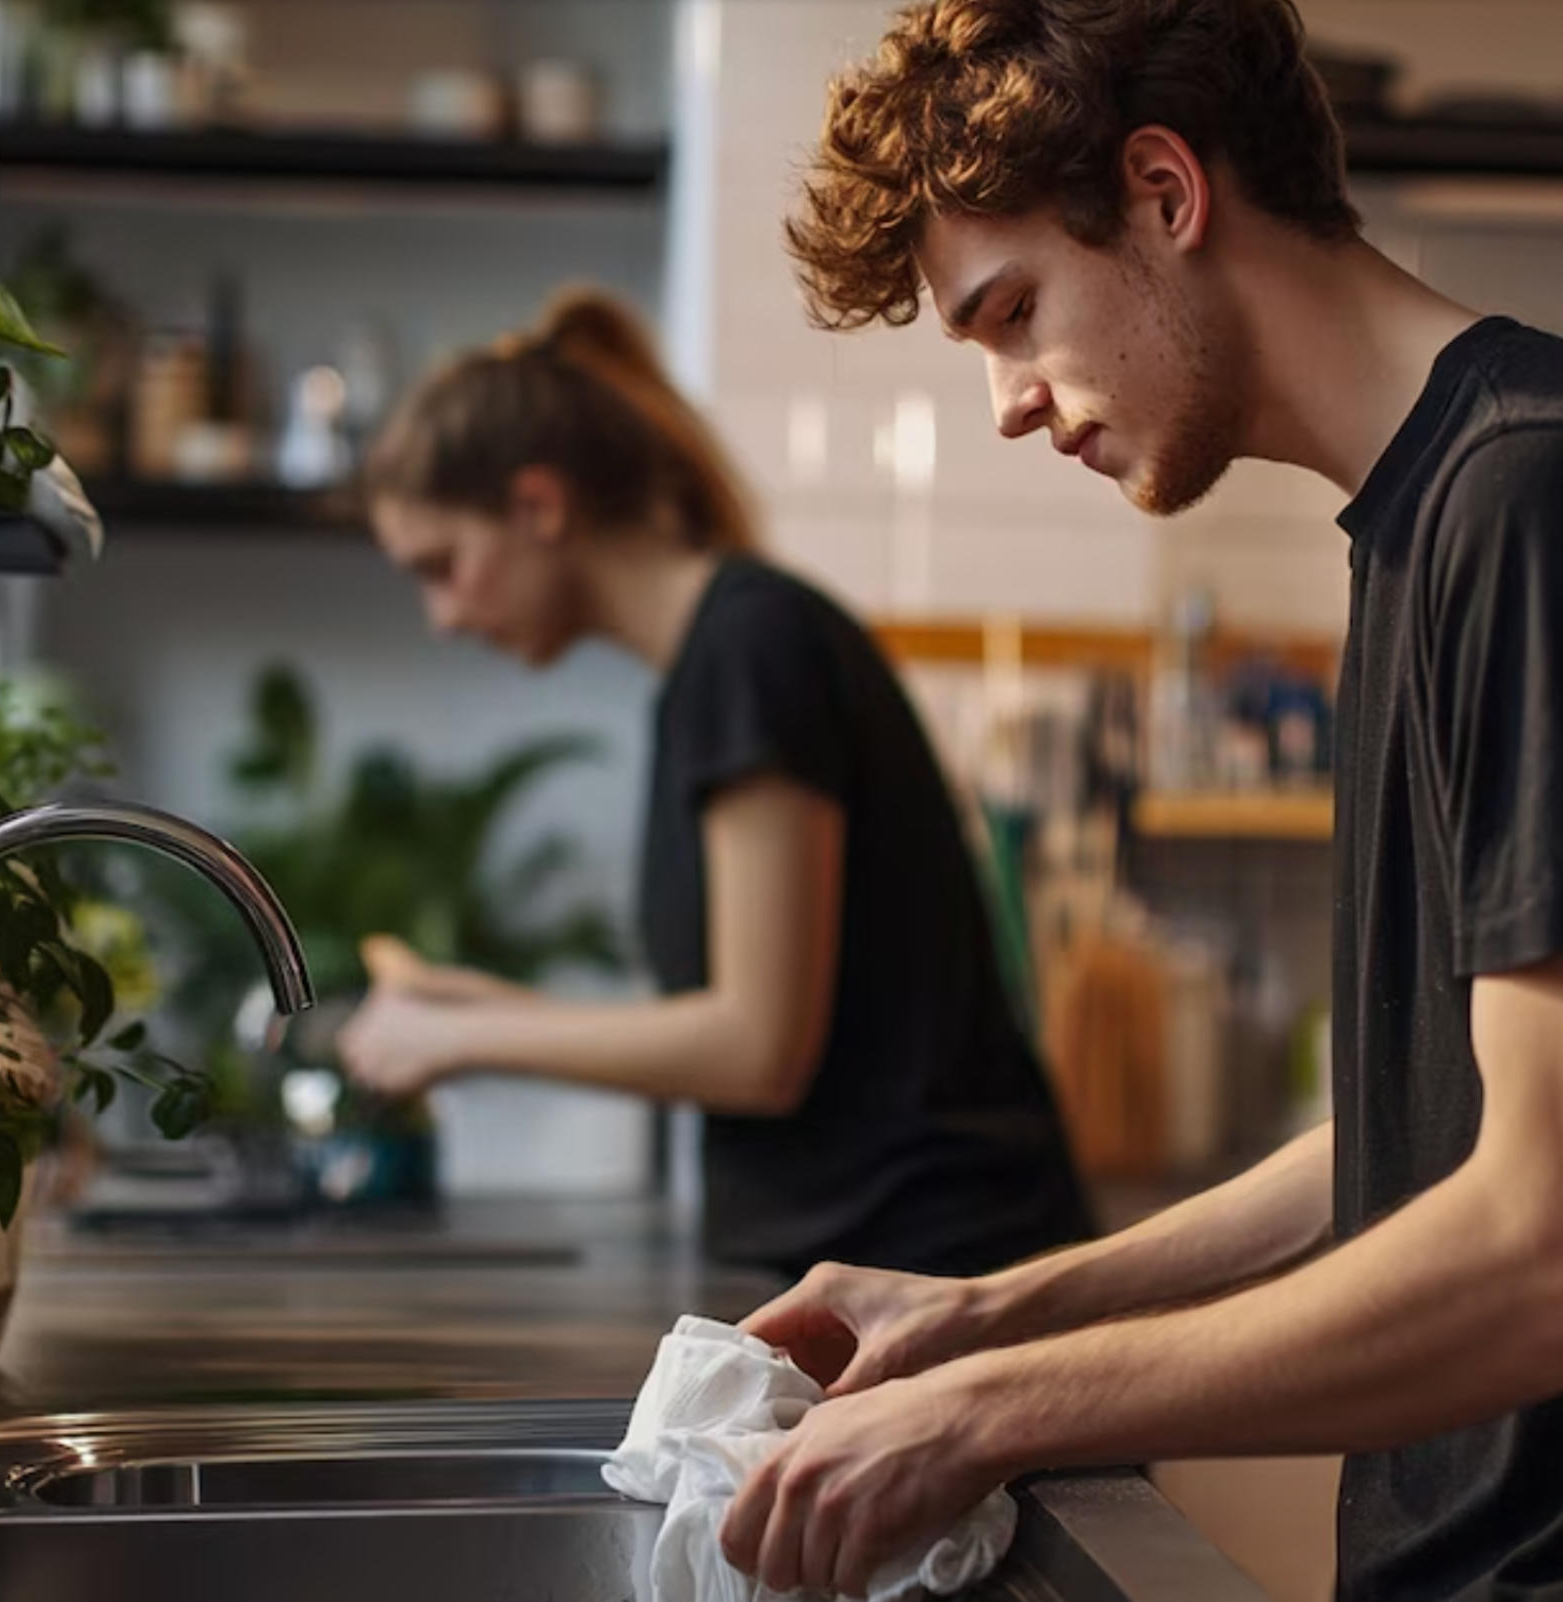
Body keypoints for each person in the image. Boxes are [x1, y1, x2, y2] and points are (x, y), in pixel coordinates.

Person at [716, 3, 1563, 1599]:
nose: (1010, 403)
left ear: (1169, 192)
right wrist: (997, 1312)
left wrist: (996, 1410)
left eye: (1015, 309)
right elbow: (1425, 1130)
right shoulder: (1439, 523)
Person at [336, 286, 1096, 1283]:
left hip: (941, 1285)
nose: (441, 615)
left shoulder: (750, 650)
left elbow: (757, 1050)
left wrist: (464, 1039)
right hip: (874, 1281)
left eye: (442, 565)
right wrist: (477, 1008)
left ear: (537, 505)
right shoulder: (717, 661)